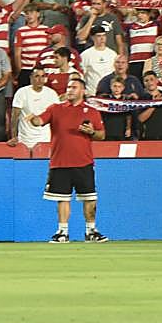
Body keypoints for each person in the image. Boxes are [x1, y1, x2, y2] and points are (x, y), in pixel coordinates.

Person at [27, 77, 108, 243]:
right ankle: (62, 232)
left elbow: (101, 135)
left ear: (83, 91)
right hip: (60, 162)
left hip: (83, 162)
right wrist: (33, 119)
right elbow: (39, 121)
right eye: (69, 87)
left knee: (89, 197)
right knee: (62, 198)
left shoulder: (91, 111)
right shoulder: (56, 108)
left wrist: (91, 132)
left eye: (74, 87)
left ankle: (91, 231)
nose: (70, 90)